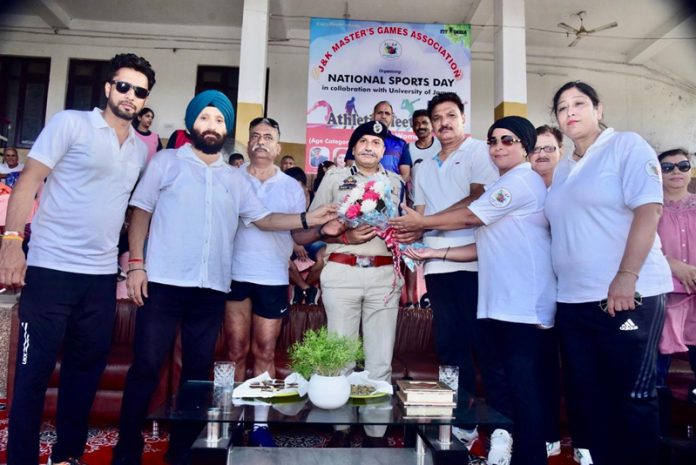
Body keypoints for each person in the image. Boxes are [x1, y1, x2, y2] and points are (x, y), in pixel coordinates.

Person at [112, 96, 335, 464]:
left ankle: (184, 450)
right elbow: (142, 211)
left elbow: (264, 220)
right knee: (147, 365)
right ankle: (127, 449)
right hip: (165, 282)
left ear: (225, 129)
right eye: (205, 117)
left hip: (212, 287)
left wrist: (312, 220)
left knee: (197, 373)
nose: (212, 124)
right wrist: (136, 264)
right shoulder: (167, 162)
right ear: (192, 125)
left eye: (219, 119)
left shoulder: (235, 178)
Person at [0, 53, 155, 465]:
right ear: (107, 88)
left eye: (139, 91)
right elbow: (29, 180)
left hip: (100, 278)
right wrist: (12, 242)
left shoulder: (139, 151)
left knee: (83, 377)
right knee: (32, 377)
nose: (130, 96)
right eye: (123, 86)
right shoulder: (71, 123)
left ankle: (66, 457)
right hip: (51, 270)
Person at [395, 116, 554, 465]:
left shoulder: (519, 182)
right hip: (502, 300)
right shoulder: (506, 182)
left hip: (523, 302)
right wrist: (434, 252)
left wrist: (421, 223)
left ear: (526, 147)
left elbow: (470, 218)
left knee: (523, 384)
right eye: (493, 140)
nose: (498, 146)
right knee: (508, 377)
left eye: (508, 140)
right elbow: (483, 245)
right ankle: (502, 445)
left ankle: (529, 456)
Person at [544, 81, 672, 465]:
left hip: (629, 294)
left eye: (579, 103)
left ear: (598, 109)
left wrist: (626, 276)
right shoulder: (564, 168)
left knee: (633, 398)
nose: (571, 111)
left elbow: (649, 211)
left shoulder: (626, 146)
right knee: (587, 397)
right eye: (562, 106)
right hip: (573, 300)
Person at [293, 120, 405, 445]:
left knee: (380, 362)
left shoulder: (395, 183)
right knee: (338, 358)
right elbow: (313, 227)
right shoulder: (335, 178)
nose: (370, 147)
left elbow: (404, 225)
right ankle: (339, 430)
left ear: (384, 151)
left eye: (377, 143)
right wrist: (345, 234)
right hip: (342, 272)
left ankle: (375, 435)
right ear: (354, 147)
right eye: (364, 141)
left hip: (384, 275)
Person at [404, 92, 498, 408]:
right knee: (448, 346)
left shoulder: (479, 153)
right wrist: (403, 234)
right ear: (430, 124)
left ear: (462, 118)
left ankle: (499, 423)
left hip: (474, 261)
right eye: (438, 118)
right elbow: (417, 218)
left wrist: (427, 221)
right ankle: (458, 417)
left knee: (484, 343)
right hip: (435, 266)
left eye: (451, 115)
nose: (444, 123)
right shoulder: (423, 167)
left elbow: (477, 201)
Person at [531, 124, 564, 457]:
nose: (541, 154)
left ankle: (578, 441)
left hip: (575, 292)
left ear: (560, 151)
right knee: (540, 366)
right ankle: (543, 434)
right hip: (537, 294)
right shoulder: (525, 189)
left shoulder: (570, 187)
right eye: (535, 149)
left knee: (575, 368)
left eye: (548, 148)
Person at [655, 148, 696, 402]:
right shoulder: (650, 208)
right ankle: (659, 433)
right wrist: (673, 265)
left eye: (682, 165)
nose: (676, 172)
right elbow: (637, 246)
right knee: (657, 370)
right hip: (663, 297)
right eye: (668, 167)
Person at [345, 101, 412, 181]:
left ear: (392, 117)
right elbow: (350, 167)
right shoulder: (359, 139)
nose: (383, 116)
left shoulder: (400, 144)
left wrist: (388, 189)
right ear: (373, 116)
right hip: (361, 190)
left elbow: (405, 175)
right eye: (380, 113)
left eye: (387, 113)